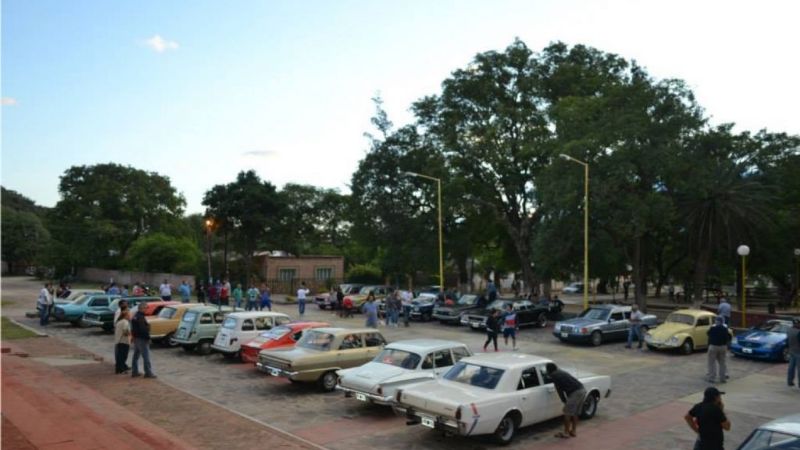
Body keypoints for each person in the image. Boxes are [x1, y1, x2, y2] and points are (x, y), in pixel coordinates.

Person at [546, 362, 586, 438]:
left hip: (575, 392)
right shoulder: (560, 372)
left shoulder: (554, 375)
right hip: (582, 389)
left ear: (549, 370)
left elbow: (559, 390)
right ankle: (573, 431)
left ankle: (566, 433)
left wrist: (564, 400)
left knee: (567, 412)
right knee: (575, 413)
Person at [130, 306, 156, 378]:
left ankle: (134, 371)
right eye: (145, 308)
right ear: (141, 308)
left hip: (136, 338)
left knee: (136, 355)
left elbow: (133, 328)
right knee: (146, 356)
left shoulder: (135, 316)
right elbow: (143, 329)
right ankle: (148, 372)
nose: (146, 310)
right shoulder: (140, 317)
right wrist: (148, 337)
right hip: (142, 339)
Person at [706, 317, 731, 383]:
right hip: (723, 346)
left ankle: (712, 378)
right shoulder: (725, 329)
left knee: (711, 363)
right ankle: (723, 378)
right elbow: (728, 337)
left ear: (716, 321)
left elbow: (708, 334)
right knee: (722, 363)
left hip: (713, 346)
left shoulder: (713, 328)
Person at [114, 308, 131, 374]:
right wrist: (130, 334)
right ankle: (121, 369)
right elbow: (125, 331)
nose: (130, 316)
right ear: (126, 315)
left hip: (119, 341)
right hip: (124, 341)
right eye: (129, 314)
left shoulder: (119, 321)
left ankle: (119, 369)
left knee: (120, 356)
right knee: (123, 356)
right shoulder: (125, 322)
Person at [787, 318, 800, 388]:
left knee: (791, 367)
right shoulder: (799, 332)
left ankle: (790, 381)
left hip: (791, 351)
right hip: (798, 352)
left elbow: (787, 340)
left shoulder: (789, 330)